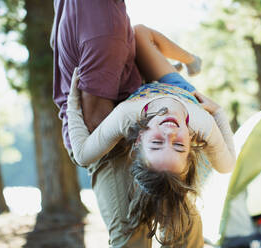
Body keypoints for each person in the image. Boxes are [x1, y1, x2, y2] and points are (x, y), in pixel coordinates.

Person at [52, 0, 206, 246]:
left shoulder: (102, 14)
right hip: (108, 141)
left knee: (185, 223)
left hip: (139, 126)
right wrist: (154, 149)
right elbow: (96, 120)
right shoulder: (104, 29)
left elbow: (132, 44)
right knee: (133, 229)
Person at [66, 24, 236, 246]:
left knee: (137, 34)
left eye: (156, 143)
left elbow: (82, 154)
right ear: (191, 145)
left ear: (138, 138)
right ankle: (190, 60)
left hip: (145, 97)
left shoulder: (127, 115)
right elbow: (227, 165)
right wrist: (219, 113)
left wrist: (73, 101)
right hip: (180, 91)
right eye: (178, 146)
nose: (170, 132)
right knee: (140, 34)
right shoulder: (202, 123)